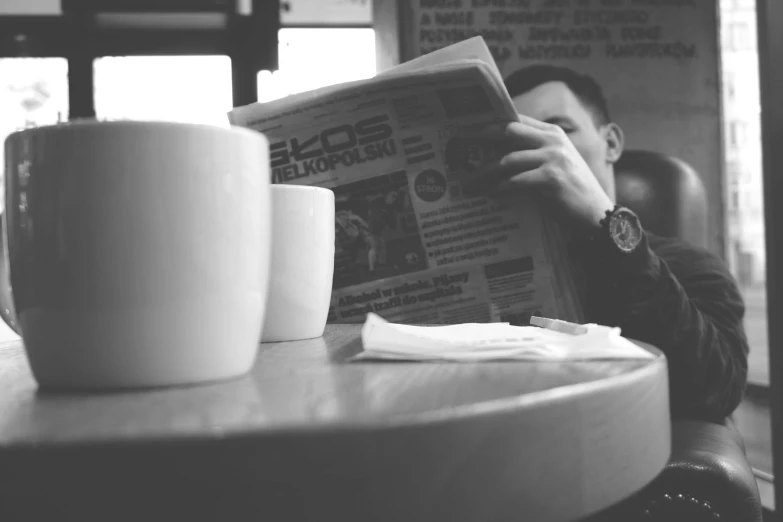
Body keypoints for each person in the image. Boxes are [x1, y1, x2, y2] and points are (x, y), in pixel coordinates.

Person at [473, 64, 748, 422]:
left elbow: (716, 388)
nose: (538, 148)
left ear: (612, 143)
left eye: (559, 130)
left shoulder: (688, 264)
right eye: (520, 138)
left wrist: (603, 216)